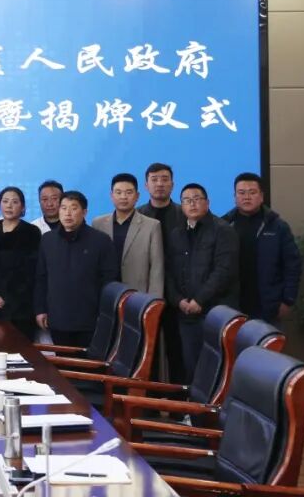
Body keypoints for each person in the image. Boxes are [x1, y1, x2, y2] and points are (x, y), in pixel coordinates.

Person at [167, 183, 239, 382]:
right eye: (187, 200)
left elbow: (223, 271)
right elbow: (169, 271)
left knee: (216, 370)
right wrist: (178, 300)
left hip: (215, 312)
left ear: (207, 203)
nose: (192, 204)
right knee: (192, 368)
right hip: (186, 313)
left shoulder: (223, 230)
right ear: (181, 206)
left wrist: (199, 300)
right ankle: (194, 403)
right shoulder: (176, 233)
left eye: (197, 199)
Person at [34, 190, 120, 347]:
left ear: (84, 212)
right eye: (64, 208)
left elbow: (109, 280)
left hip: (90, 319)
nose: (68, 213)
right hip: (58, 317)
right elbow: (41, 278)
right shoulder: (48, 240)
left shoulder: (101, 240)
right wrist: (40, 310)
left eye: (74, 208)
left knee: (89, 360)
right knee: (62, 360)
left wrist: (105, 313)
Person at [221, 173, 302, 322]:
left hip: (268, 306)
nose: (246, 197)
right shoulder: (223, 226)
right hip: (232, 306)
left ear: (261, 196)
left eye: (252, 192)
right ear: (235, 197)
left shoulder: (278, 227)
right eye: (241, 193)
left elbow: (292, 265)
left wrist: (288, 300)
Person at [138, 162, 188, 381]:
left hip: (179, 295)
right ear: (146, 185)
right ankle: (150, 398)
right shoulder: (138, 215)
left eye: (165, 179)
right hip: (146, 292)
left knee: (178, 351)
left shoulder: (184, 214)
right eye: (154, 179)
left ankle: (179, 399)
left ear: (172, 184)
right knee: (147, 350)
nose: (160, 184)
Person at [92, 173, 164, 296]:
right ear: (111, 196)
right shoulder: (98, 224)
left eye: (129, 192)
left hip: (138, 296)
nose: (123, 197)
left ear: (137, 196)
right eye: (118, 192)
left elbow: (157, 268)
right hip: (105, 294)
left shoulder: (152, 225)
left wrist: (154, 301)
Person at [0, 187, 42, 339]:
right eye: (5, 201)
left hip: (20, 308)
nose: (9, 206)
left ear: (22, 207)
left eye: (15, 202)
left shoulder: (32, 232)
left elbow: (31, 272)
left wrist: (7, 297)